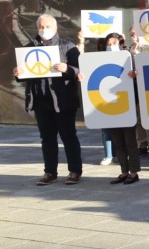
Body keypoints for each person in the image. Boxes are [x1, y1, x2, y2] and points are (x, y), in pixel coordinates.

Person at [14, 14, 83, 185]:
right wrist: (18, 73)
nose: (43, 30)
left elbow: (80, 70)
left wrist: (67, 69)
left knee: (68, 137)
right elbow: (25, 75)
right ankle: (50, 172)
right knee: (47, 139)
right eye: (41, 27)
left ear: (56, 28)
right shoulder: (29, 48)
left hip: (63, 101)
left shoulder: (67, 46)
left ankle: (75, 171)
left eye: (47, 27)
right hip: (40, 101)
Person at [80, 33, 140, 185]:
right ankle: (124, 171)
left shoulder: (129, 59)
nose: (111, 45)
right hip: (108, 106)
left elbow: (139, 80)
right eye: (108, 43)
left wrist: (135, 76)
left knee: (130, 141)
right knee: (117, 142)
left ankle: (134, 172)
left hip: (126, 105)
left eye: (114, 43)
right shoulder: (99, 60)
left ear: (120, 44)